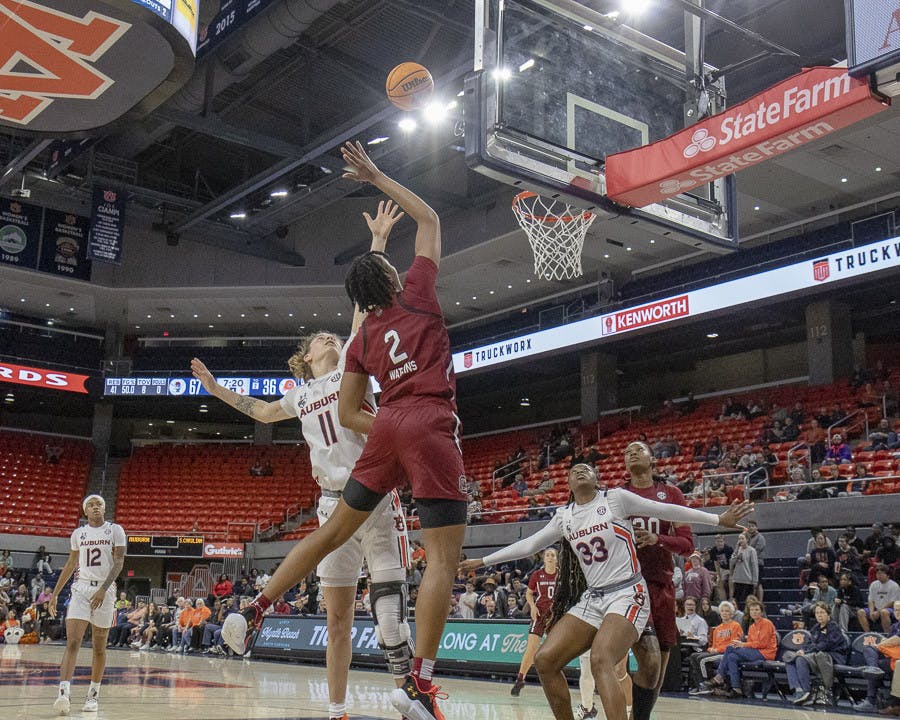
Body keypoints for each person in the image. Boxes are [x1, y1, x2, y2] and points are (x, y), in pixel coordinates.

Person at [222, 141, 466, 720]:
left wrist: (393, 428)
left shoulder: (357, 343)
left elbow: (355, 413)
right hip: (429, 420)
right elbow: (429, 218)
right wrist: (379, 175)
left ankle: (255, 608)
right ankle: (420, 683)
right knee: (441, 561)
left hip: (385, 432)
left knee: (330, 534)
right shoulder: (420, 295)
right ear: (390, 278)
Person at [459, 463, 752, 720]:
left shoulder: (615, 499)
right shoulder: (565, 516)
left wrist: (717, 520)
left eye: (586, 468)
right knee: (545, 660)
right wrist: (482, 560)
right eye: (574, 470)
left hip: (627, 593)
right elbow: (529, 545)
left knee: (601, 660)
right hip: (593, 597)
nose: (580, 470)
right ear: (570, 486)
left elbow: (664, 510)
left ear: (597, 479)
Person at [622, 440, 695, 720]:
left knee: (657, 674)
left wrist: (657, 539)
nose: (631, 453)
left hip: (662, 587)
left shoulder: (671, 493)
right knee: (645, 661)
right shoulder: (618, 496)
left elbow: (687, 545)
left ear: (652, 459)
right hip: (628, 588)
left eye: (638, 449)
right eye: (627, 452)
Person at [48, 495, 126, 714]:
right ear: (85, 511)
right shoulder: (78, 534)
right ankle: (63, 694)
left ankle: (93, 695)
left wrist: (103, 589)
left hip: (106, 589)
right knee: (73, 641)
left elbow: (119, 561)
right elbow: (71, 563)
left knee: (99, 646)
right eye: (91, 505)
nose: (95, 507)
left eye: (99, 504)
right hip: (81, 588)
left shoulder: (115, 530)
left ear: (104, 508)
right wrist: (54, 594)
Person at [697, 598, 777, 699]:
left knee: (730, 647)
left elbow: (762, 643)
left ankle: (719, 676)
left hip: (766, 653)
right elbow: (751, 643)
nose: (754, 612)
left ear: (761, 611)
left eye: (756, 610)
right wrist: (744, 644)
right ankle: (736, 688)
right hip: (755, 651)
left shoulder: (766, 623)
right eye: (752, 610)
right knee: (731, 657)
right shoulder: (752, 626)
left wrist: (743, 645)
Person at [511, 548, 558, 696]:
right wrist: (531, 606)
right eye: (547, 555)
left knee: (556, 651)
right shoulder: (537, 575)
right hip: (539, 613)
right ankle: (520, 678)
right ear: (544, 558)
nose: (550, 557)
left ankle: (554, 682)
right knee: (531, 648)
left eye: (553, 555)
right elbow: (529, 593)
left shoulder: (561, 575)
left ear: (557, 559)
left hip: (556, 615)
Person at [784, 601, 847, 706]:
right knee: (789, 659)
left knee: (801, 659)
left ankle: (806, 690)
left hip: (832, 656)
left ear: (828, 614)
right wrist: (802, 650)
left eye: (822, 612)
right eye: (817, 613)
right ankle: (798, 689)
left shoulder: (834, 627)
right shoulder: (816, 628)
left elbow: (826, 645)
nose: (819, 615)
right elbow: (808, 643)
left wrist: (805, 652)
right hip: (816, 654)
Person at [687, 600, 743, 693]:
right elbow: (712, 645)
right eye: (723, 611)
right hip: (716, 652)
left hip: (725, 654)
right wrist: (711, 649)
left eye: (727, 611)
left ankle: (706, 685)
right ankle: (699, 684)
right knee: (693, 656)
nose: (724, 613)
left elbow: (734, 644)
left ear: (732, 613)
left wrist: (717, 649)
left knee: (702, 659)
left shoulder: (736, 626)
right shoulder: (717, 629)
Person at [859, 564, 900, 632]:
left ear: (887, 575)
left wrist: (878, 612)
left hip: (890, 609)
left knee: (884, 612)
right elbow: (871, 600)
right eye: (877, 573)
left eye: (881, 573)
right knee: (861, 612)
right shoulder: (873, 584)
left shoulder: (894, 586)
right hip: (876, 608)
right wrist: (872, 612)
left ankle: (887, 634)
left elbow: (892, 602)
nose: (879, 575)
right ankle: (868, 633)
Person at [729, 533, 759, 604]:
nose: (740, 540)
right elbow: (732, 562)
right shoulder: (737, 550)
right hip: (737, 579)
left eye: (742, 538)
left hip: (747, 580)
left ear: (747, 540)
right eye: (739, 539)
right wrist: (736, 549)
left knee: (747, 602)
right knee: (737, 601)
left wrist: (755, 580)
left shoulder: (751, 550)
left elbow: (754, 566)